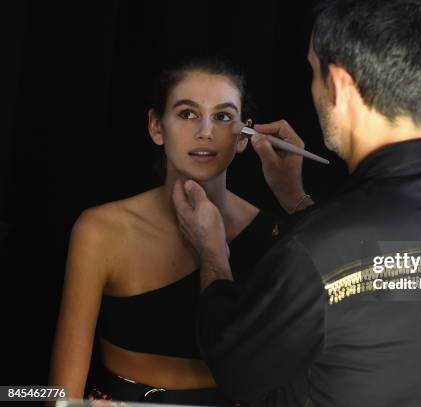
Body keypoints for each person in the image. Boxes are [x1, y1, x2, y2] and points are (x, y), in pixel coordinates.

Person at [173, 1, 421, 406]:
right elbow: (383, 318)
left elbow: (235, 369)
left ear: (340, 86)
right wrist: (295, 199)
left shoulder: (317, 251)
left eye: (314, 71)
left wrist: (212, 250)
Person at [48, 54, 280, 405]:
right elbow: (61, 396)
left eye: (222, 117)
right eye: (187, 114)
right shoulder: (101, 231)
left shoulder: (271, 234)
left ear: (243, 136)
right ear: (157, 127)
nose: (206, 131)